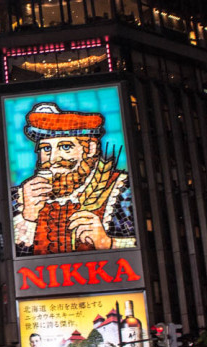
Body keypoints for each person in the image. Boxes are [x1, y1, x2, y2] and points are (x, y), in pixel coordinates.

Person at [11, 103, 134, 255]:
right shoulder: (19, 198)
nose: (54, 158)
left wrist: (108, 242)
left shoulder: (123, 189)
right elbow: (0, 256)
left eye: (66, 147)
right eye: (46, 149)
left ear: (90, 149)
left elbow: (146, 243)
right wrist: (28, 218)